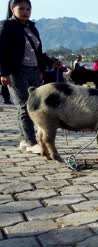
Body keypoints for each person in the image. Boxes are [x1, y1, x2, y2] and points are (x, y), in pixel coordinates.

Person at [0, 0, 57, 154]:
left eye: (28, 9)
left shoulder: (32, 27)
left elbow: (38, 52)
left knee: (37, 106)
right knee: (25, 106)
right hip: (16, 71)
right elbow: (2, 51)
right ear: (12, 9)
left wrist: (51, 62)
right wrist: (3, 73)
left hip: (34, 71)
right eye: (21, 8)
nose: (25, 12)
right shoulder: (6, 26)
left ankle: (26, 139)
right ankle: (31, 142)